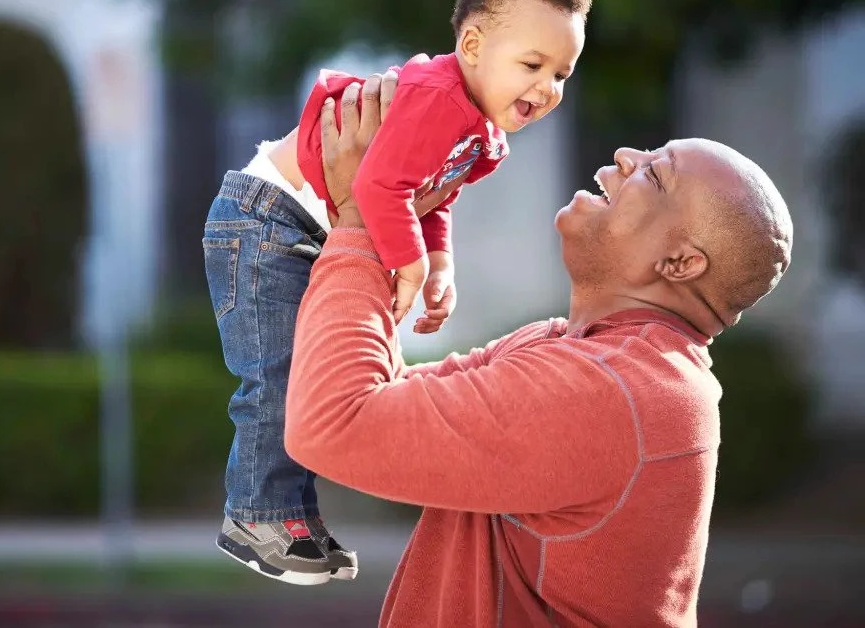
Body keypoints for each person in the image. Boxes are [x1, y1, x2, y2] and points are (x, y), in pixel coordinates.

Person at [284, 74, 794, 626]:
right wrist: (387, 216)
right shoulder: (575, 351)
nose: (625, 154)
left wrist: (361, 222)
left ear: (680, 263)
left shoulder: (612, 392)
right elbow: (382, 398)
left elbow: (334, 422)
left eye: (656, 173)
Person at [204, 0, 595, 585]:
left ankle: (293, 517)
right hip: (264, 218)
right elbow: (383, 187)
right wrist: (409, 265)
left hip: (300, 223)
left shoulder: (480, 132)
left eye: (562, 74)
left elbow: (430, 195)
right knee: (275, 375)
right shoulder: (439, 99)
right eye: (532, 65)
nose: (547, 87)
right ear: (472, 43)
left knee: (304, 375)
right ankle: (257, 516)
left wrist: (438, 260)